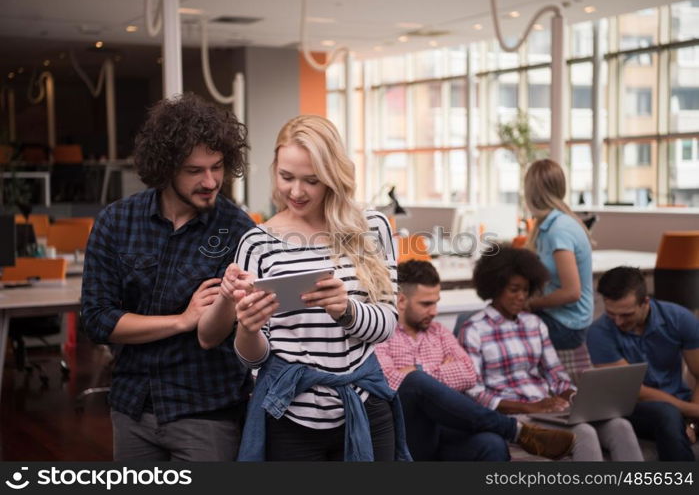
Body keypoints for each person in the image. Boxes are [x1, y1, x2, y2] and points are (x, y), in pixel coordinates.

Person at [198, 114, 410, 461]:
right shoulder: (257, 242)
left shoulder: (373, 227)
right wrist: (248, 329)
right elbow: (255, 358)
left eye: (311, 180)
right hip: (289, 415)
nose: (296, 192)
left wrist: (347, 310)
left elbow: (387, 325)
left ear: (332, 176)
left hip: (366, 407)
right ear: (275, 171)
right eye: (286, 177)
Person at [81, 92, 254, 461]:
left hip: (206, 411)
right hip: (132, 407)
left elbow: (226, 331)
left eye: (218, 167)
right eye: (195, 171)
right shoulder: (117, 222)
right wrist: (181, 321)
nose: (211, 181)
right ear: (165, 168)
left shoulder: (237, 230)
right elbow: (97, 320)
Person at [375, 259, 575, 461]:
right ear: (401, 301)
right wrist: (431, 373)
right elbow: (390, 383)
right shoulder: (382, 335)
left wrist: (414, 370)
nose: (434, 311)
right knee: (416, 382)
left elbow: (469, 374)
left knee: (492, 444)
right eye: (426, 304)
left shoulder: (439, 332)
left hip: (445, 429)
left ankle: (513, 433)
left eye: (436, 302)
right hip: (408, 433)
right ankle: (515, 431)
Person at [459, 247, 643, 461]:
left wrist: (577, 399)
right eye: (514, 290)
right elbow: (475, 393)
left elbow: (556, 376)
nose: (521, 297)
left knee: (620, 426)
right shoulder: (474, 329)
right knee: (583, 434)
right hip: (514, 416)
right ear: (495, 287)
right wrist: (531, 406)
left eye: (526, 290)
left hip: (549, 410)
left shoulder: (534, 324)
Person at [587, 266, 699, 461]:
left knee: (670, 414)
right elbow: (634, 391)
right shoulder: (599, 333)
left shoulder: (679, 318)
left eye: (626, 314)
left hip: (680, 402)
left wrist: (692, 422)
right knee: (666, 414)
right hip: (630, 408)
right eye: (611, 313)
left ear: (645, 302)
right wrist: (690, 410)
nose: (618, 321)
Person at [523, 159, 593, 350]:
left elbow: (572, 292)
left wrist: (530, 304)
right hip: (558, 317)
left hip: (568, 326)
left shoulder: (559, 230)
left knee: (485, 329)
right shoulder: (548, 225)